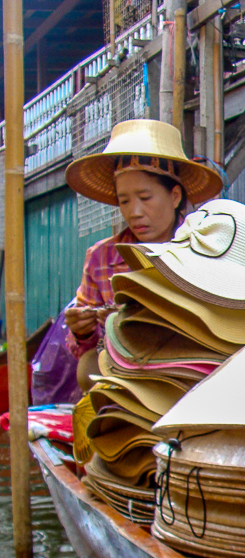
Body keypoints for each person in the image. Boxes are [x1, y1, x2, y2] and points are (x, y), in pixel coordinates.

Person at [62, 120, 223, 388]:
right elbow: (82, 349)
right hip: (123, 376)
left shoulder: (204, 248)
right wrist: (82, 330)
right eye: (124, 201)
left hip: (190, 369)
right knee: (88, 365)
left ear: (174, 196)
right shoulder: (101, 256)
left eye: (145, 198)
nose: (134, 212)